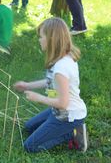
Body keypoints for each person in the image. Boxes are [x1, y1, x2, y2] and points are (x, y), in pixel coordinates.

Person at [14, 17, 88, 153]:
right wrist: (27, 85)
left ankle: (72, 133)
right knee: (29, 127)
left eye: (41, 36)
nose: (39, 40)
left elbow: (63, 103)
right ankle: (65, 129)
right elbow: (50, 81)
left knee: (30, 147)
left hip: (68, 116)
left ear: (52, 40)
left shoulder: (61, 68)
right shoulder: (61, 58)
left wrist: (38, 98)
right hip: (58, 111)